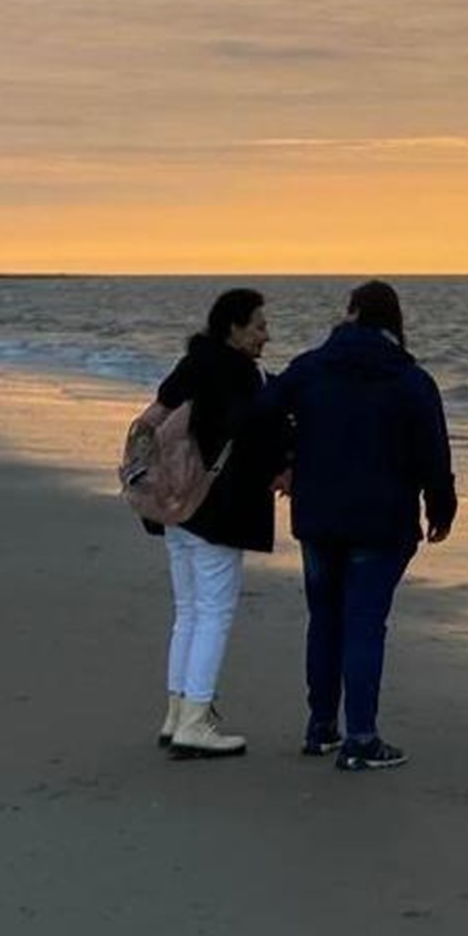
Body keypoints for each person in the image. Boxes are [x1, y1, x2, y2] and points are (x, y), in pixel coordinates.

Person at [259, 281, 456, 772]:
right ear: (395, 323)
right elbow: (434, 453)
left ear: (350, 314)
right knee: (364, 623)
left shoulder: (311, 367)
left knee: (325, 618)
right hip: (382, 519)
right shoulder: (410, 380)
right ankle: (361, 736)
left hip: (319, 514)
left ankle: (322, 725)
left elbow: (262, 411)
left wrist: (284, 458)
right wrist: (441, 508)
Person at [150, 288, 283, 758]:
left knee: (188, 610)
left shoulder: (194, 362)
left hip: (176, 502)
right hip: (219, 508)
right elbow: (254, 435)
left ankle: (176, 713)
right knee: (214, 613)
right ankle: (195, 721)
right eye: (259, 326)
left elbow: (161, 409)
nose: (266, 335)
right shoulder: (242, 374)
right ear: (234, 327)